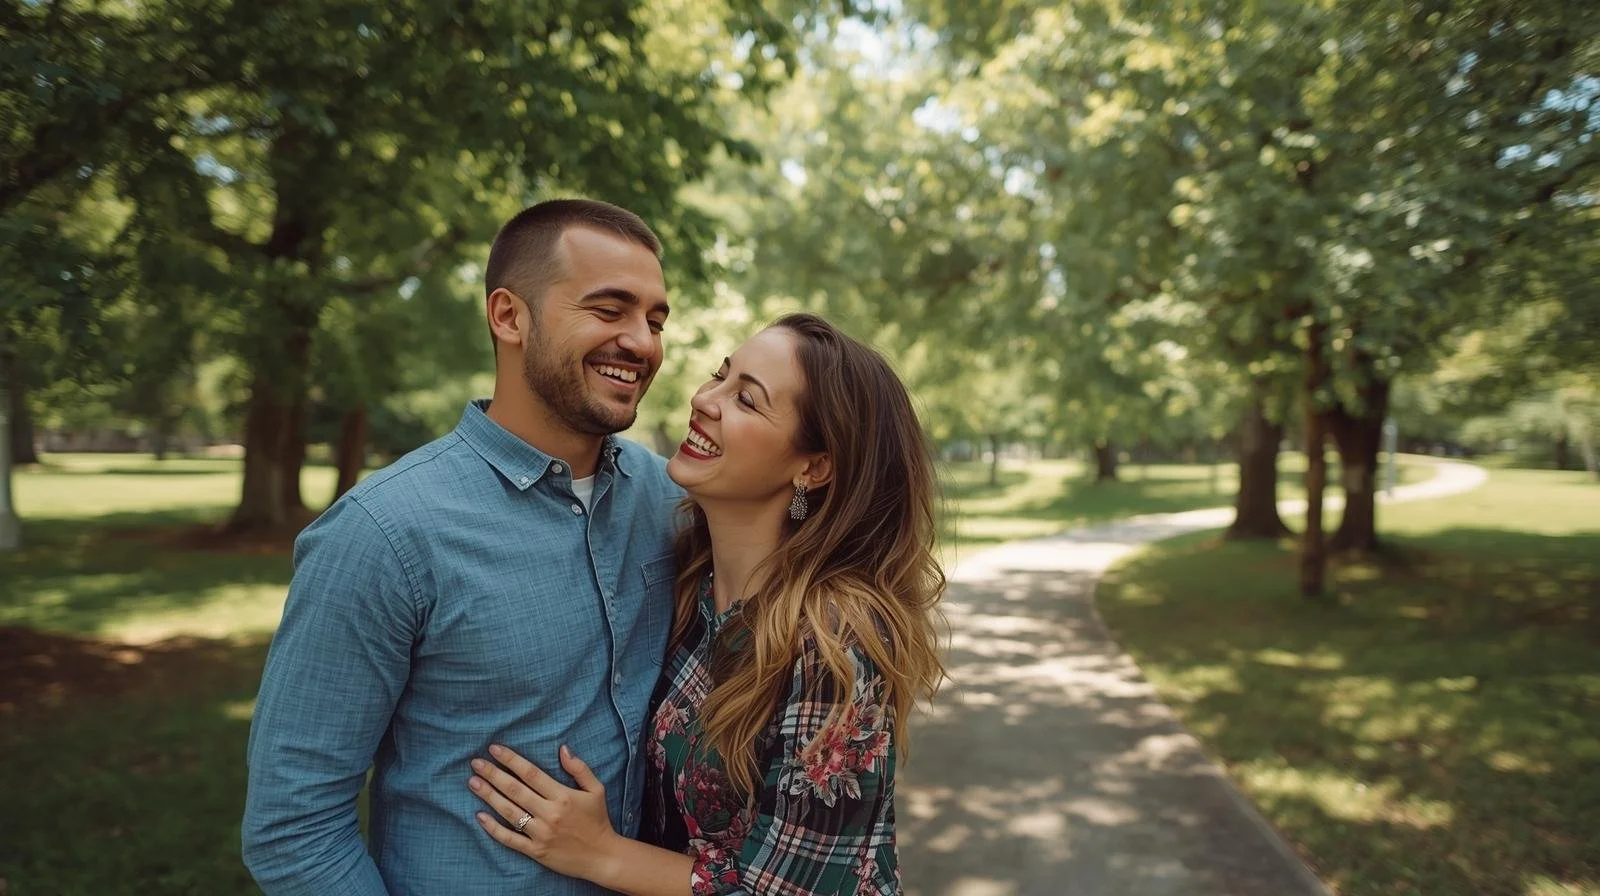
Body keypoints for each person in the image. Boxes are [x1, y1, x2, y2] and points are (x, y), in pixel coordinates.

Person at [242, 199, 684, 896]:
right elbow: (294, 826)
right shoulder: (382, 534)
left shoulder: (673, 502)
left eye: (655, 319)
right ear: (508, 316)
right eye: (608, 310)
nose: (643, 342)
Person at [466, 313, 946, 895]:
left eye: (747, 399)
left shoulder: (833, 636)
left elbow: (798, 891)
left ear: (813, 467)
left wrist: (598, 852)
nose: (705, 400)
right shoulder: (689, 580)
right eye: (720, 375)